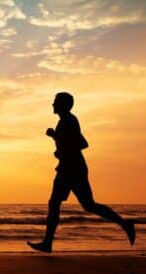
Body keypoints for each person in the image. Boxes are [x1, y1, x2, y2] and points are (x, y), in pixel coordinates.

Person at [27, 92, 136, 253]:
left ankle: (48, 243)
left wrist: (58, 142)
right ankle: (48, 242)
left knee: (59, 203)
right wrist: (56, 139)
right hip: (71, 167)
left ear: (63, 105)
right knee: (85, 204)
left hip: (71, 169)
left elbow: (81, 144)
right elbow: (78, 143)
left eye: (56, 102)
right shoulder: (67, 121)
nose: (52, 104)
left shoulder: (69, 121)